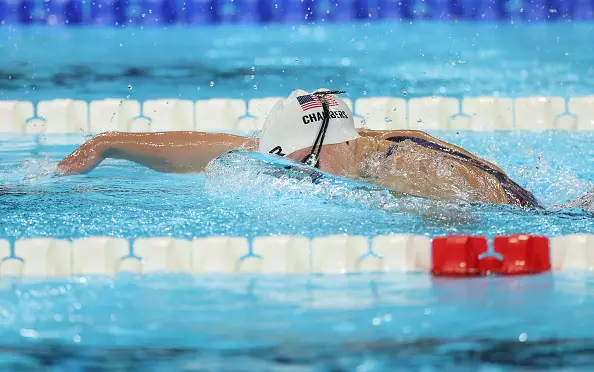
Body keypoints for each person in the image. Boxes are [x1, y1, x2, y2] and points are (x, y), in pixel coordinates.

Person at [57, 89, 544, 209]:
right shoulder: (336, 147)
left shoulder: (410, 168)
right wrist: (107, 144)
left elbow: (491, 218)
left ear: (318, 147)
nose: (283, 173)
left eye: (292, 166)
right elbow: (211, 149)